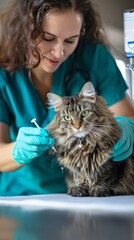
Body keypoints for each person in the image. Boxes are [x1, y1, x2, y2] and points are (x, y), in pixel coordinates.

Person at [0, 0, 134, 196]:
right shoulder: (4, 72)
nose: (59, 52)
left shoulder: (93, 56)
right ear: (25, 30)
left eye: (71, 40)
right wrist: (18, 150)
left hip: (94, 191)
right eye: (48, 38)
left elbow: (127, 116)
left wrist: (127, 127)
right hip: (22, 194)